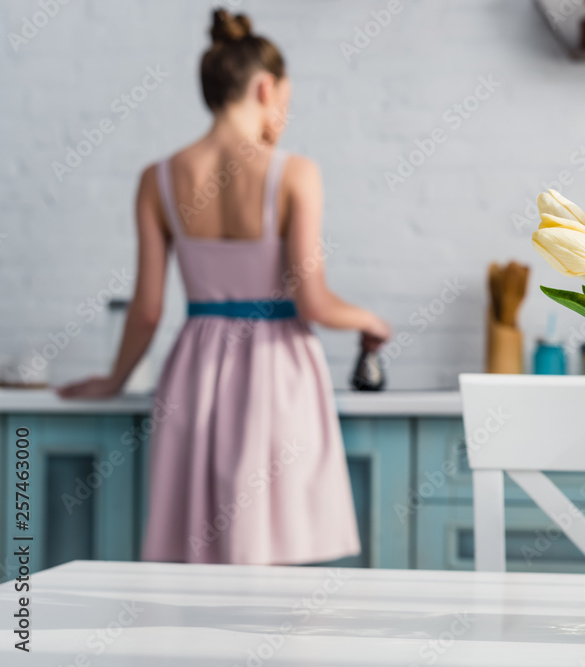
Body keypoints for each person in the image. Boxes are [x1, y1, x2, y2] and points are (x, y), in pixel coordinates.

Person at [58, 9, 391, 565]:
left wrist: (113, 379)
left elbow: (146, 310)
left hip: (195, 371)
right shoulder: (294, 174)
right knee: (275, 553)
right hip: (276, 371)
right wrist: (370, 320)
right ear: (266, 88)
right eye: (286, 96)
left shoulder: (158, 178)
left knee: (200, 555)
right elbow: (314, 301)